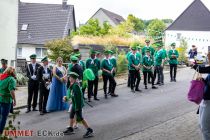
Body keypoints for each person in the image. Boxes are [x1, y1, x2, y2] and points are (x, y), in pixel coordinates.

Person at [63, 72, 94, 138]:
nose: (69, 78)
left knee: (80, 118)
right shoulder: (72, 84)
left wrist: (77, 107)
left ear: (73, 78)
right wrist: (67, 97)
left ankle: (89, 130)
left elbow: (78, 97)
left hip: (77, 105)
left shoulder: (76, 86)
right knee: (71, 115)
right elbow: (71, 94)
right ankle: (71, 129)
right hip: (74, 104)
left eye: (70, 77)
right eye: (69, 77)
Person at [191, 52, 210, 140]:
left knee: (205, 128)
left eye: (209, 58)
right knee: (201, 125)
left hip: (209, 102)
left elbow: (202, 70)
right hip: (204, 100)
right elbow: (207, 81)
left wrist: (193, 64)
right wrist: (202, 80)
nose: (208, 59)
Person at [0, 67, 16, 134]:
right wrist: (14, 100)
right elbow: (11, 91)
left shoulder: (1, 77)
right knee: (3, 117)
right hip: (6, 101)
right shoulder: (11, 79)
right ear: (12, 72)